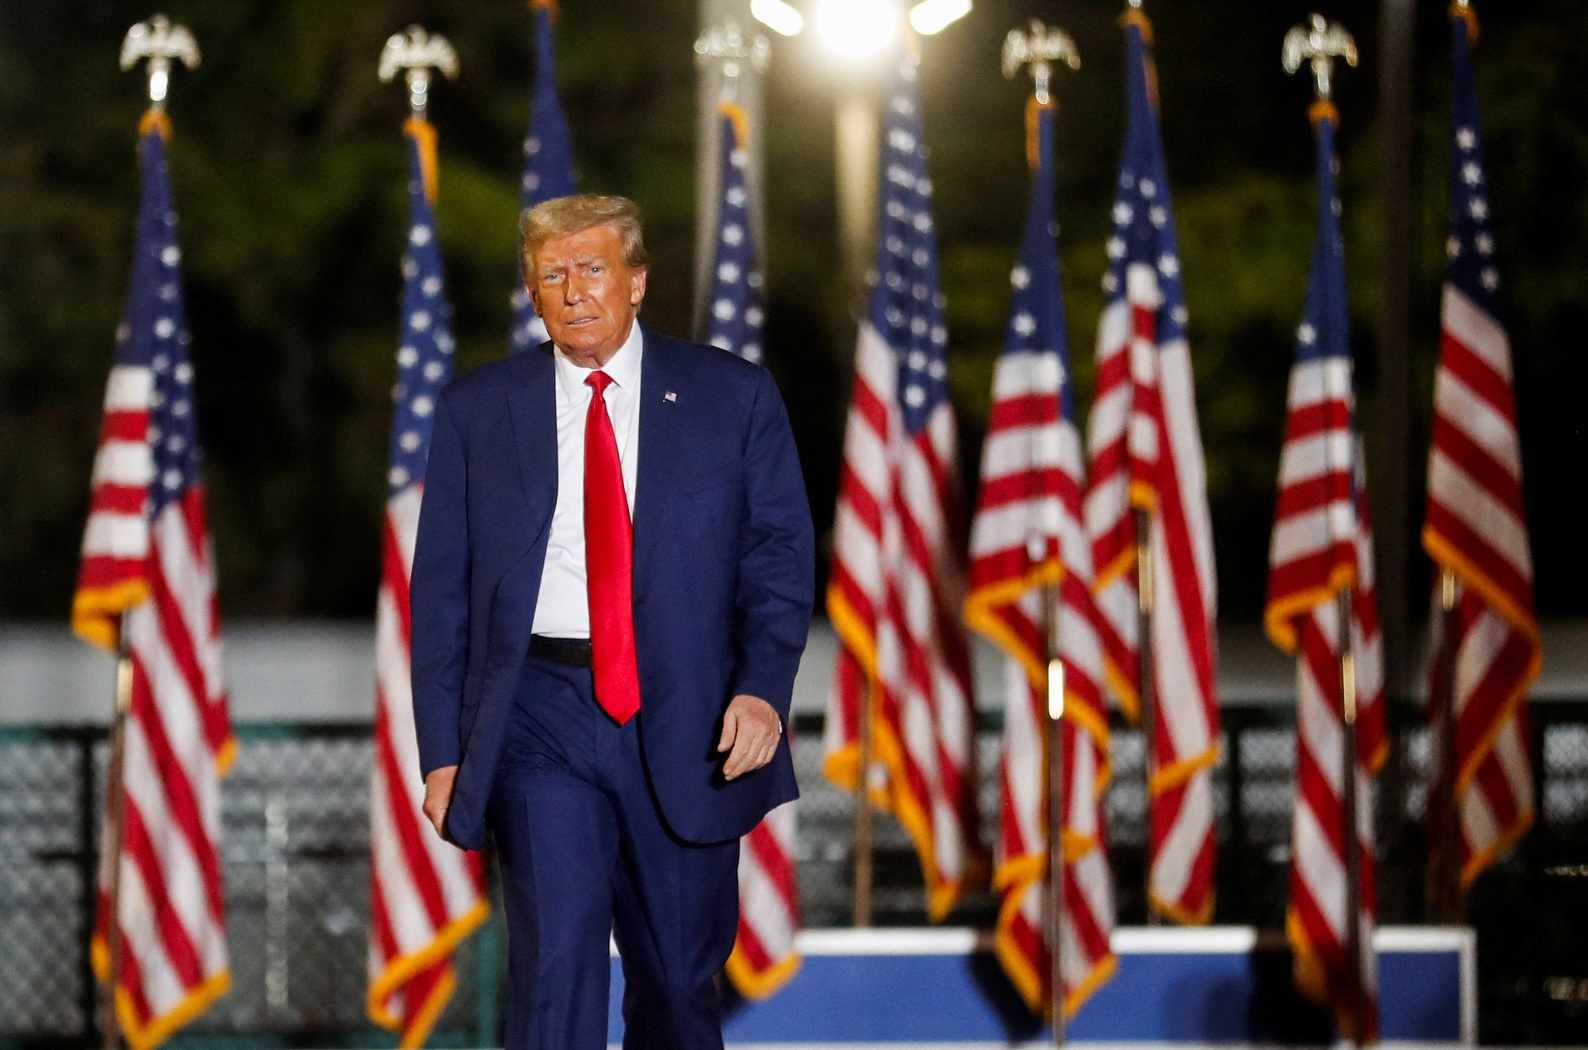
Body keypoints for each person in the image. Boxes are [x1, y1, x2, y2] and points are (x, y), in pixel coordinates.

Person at [408, 193, 814, 1050]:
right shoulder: (479, 413)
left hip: (688, 715)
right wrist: (444, 751)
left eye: (592, 270)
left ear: (636, 281)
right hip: (536, 715)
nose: (574, 291)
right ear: (532, 294)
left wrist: (761, 691)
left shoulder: (729, 397)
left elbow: (777, 561)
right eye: (551, 275)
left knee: (674, 982)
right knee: (555, 975)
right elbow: (441, 592)